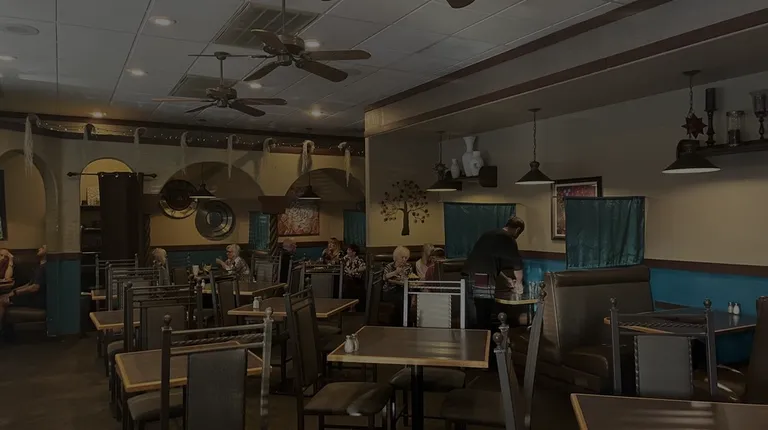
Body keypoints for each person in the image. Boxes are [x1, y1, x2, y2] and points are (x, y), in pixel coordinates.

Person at [462, 216, 525, 330]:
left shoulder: (488, 234)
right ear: (517, 230)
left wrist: (507, 280)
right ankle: (484, 340)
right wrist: (519, 283)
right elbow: (517, 265)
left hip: (467, 274)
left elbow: (490, 263)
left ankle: (472, 339)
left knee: (471, 314)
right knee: (483, 314)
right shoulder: (508, 239)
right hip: (481, 277)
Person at [0, 245, 46, 331]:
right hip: (33, 295)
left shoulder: (44, 267)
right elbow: (29, 284)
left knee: (2, 300)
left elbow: (34, 287)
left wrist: (16, 293)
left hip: (37, 298)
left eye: (42, 248)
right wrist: (14, 290)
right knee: (3, 296)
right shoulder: (40, 266)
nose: (39, 248)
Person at [383, 246, 413, 326]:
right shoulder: (389, 266)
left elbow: (409, 278)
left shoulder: (408, 266)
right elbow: (385, 277)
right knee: (401, 297)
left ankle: (404, 321)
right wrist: (395, 272)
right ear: (396, 257)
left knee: (405, 296)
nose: (404, 260)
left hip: (403, 289)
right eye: (402, 257)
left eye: (406, 258)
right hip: (389, 291)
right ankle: (403, 322)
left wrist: (402, 275)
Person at [342, 244, 367, 309]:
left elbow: (364, 267)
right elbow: (340, 264)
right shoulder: (346, 258)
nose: (347, 251)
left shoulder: (359, 260)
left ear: (354, 252)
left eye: (349, 250)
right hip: (346, 278)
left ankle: (351, 305)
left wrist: (354, 271)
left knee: (349, 282)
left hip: (356, 279)